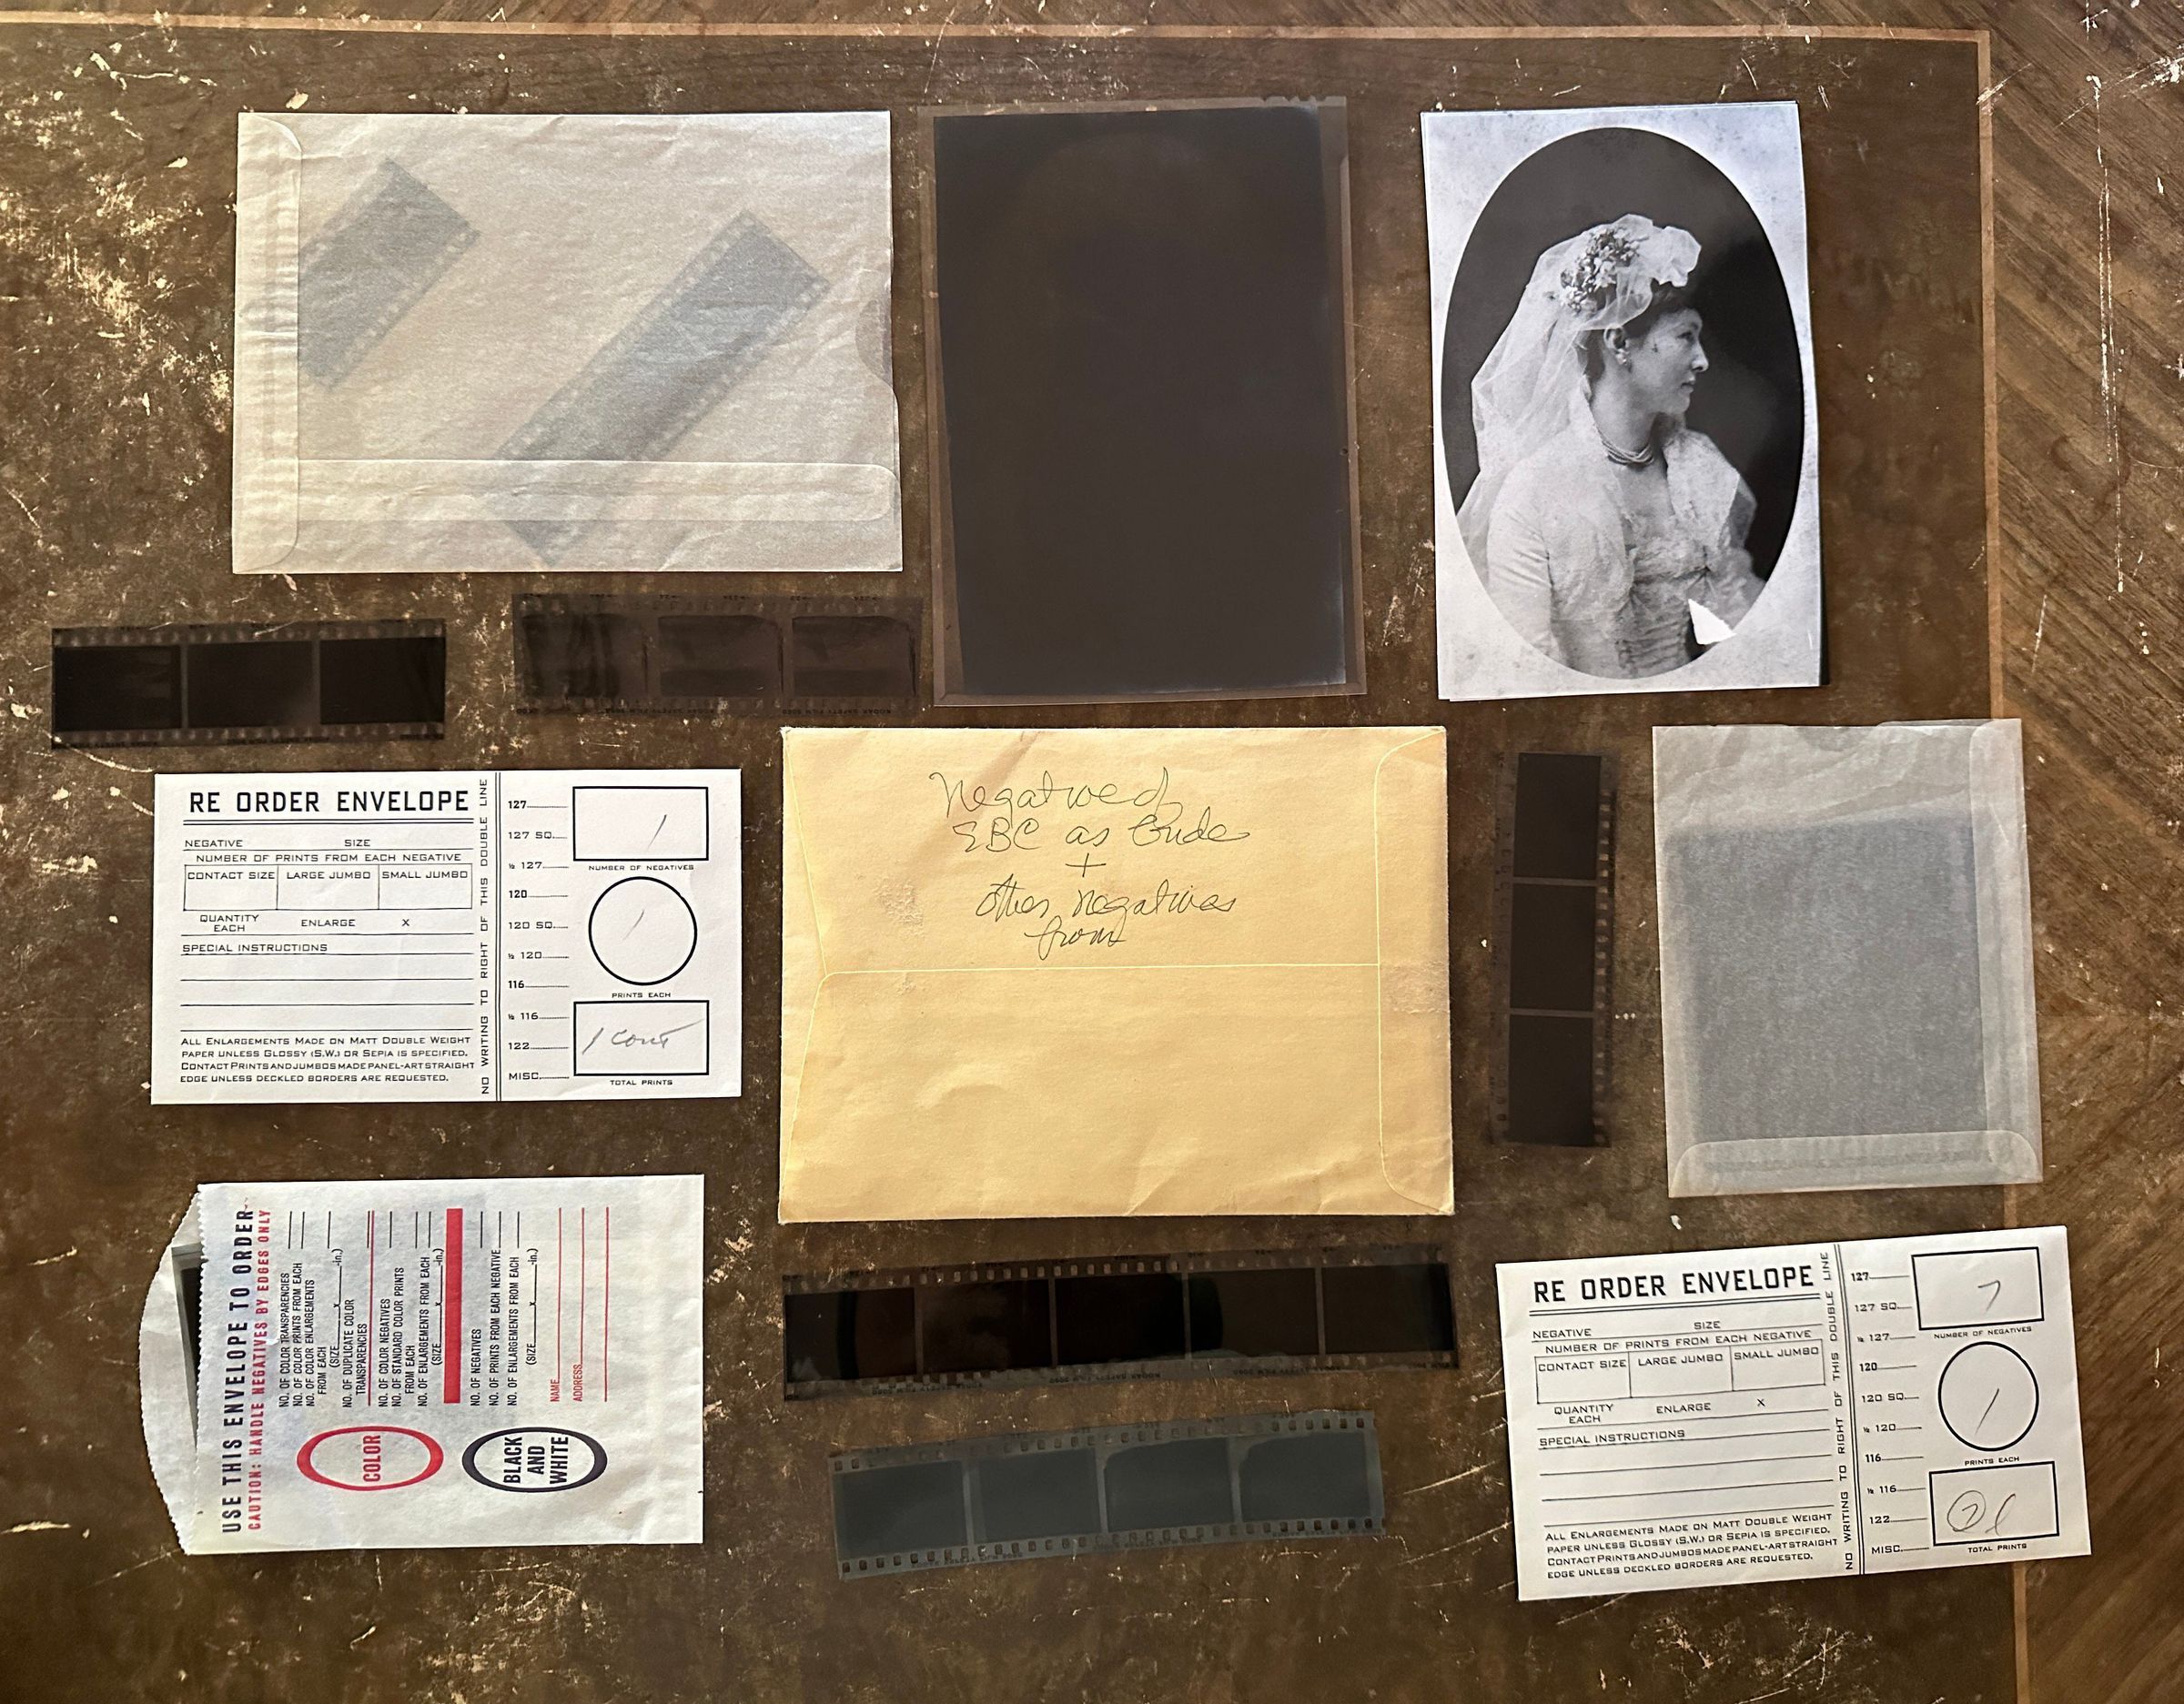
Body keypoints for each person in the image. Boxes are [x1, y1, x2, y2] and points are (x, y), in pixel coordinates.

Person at [1457, 214, 1764, 679]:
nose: (1702, 361)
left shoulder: (1698, 466)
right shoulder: (1534, 491)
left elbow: (1733, 616)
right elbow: (1527, 663)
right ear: (1620, 342)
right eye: (1686, 337)